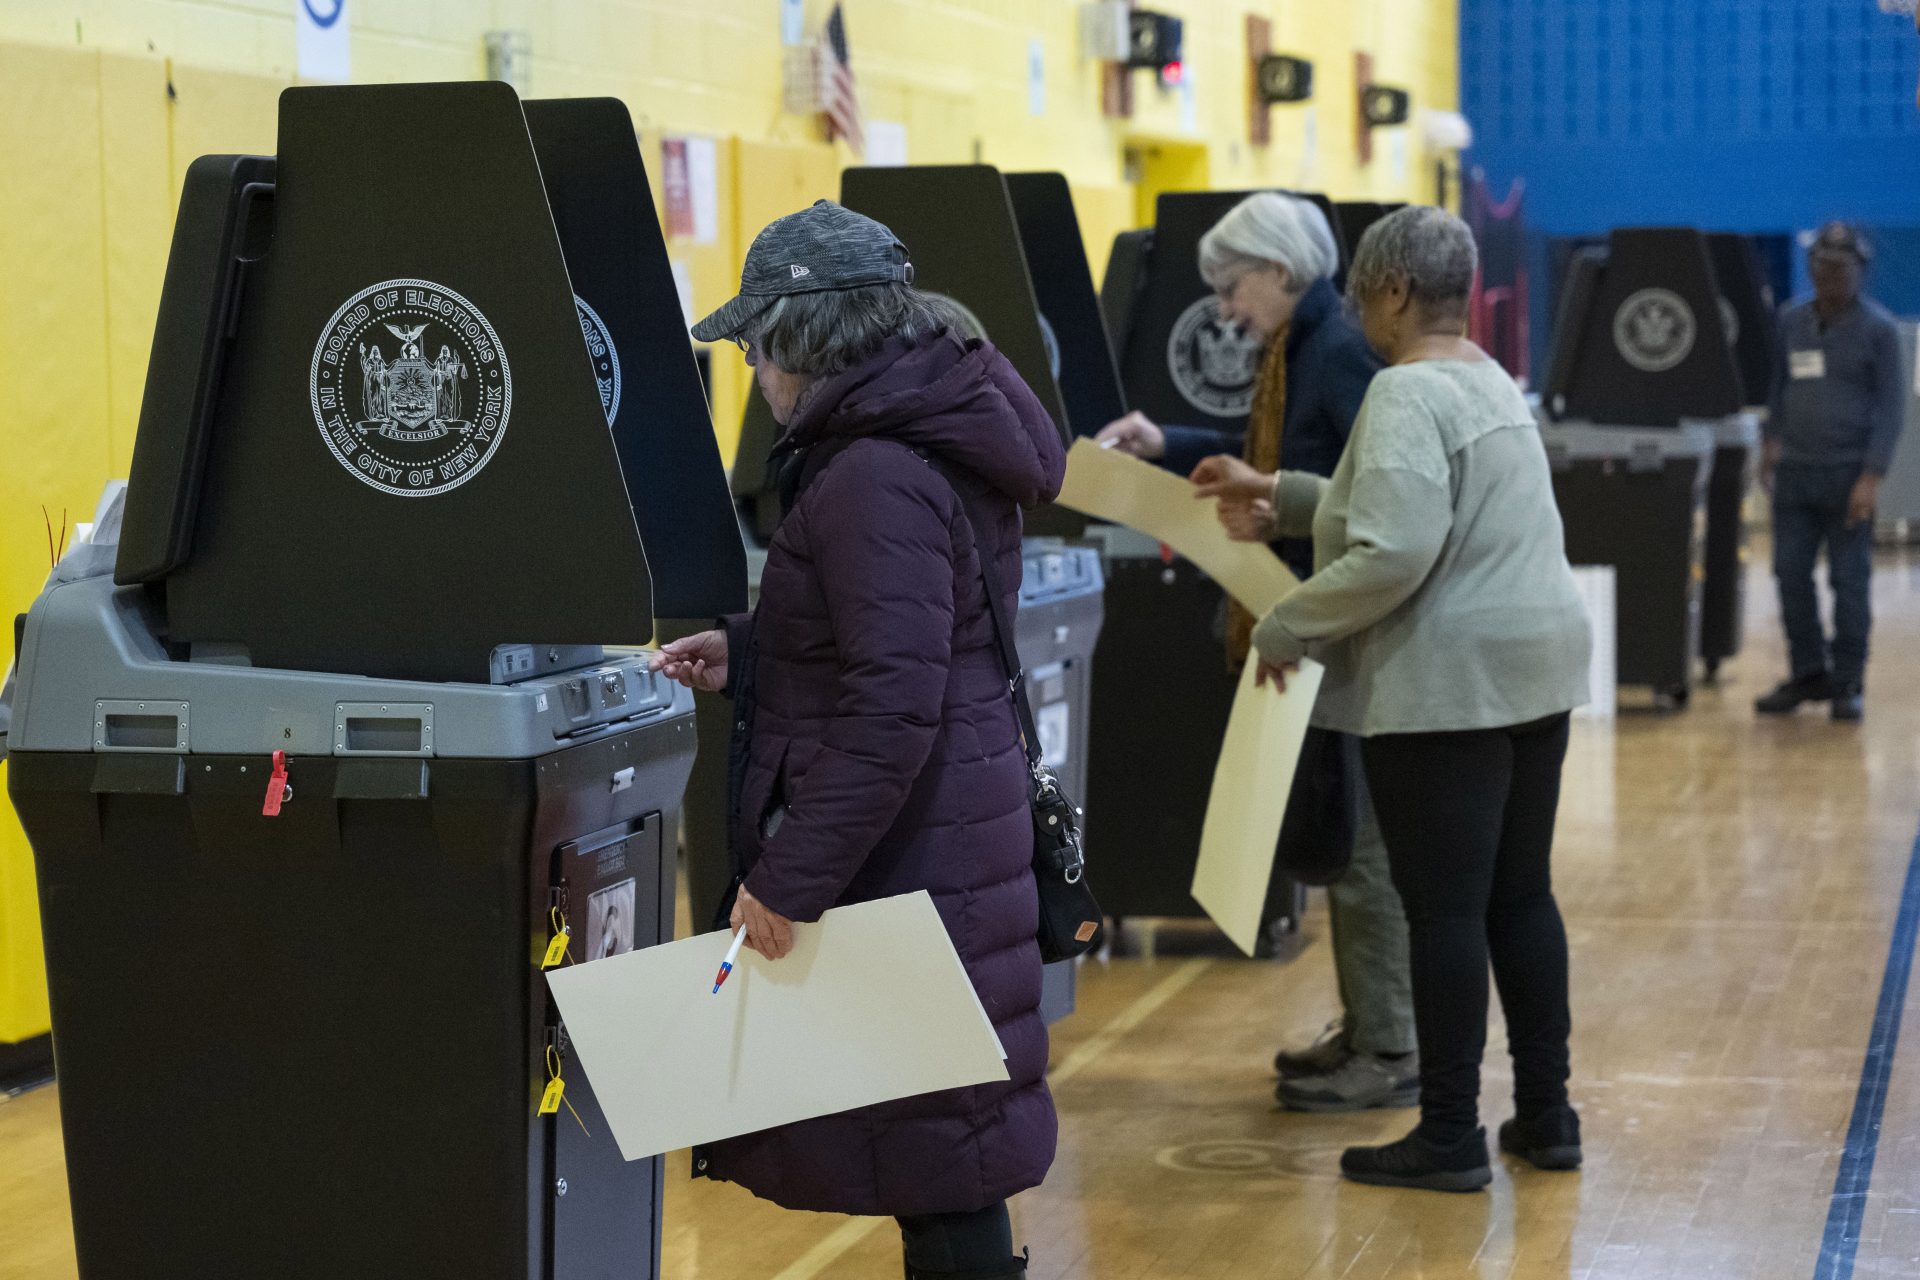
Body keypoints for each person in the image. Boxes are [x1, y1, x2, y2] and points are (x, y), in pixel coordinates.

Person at [651, 201, 1064, 1280]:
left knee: (944, 1173)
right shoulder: (930, 428)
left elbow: (894, 703)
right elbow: (919, 632)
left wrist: (786, 882)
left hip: (917, 855)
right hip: (952, 838)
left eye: (752, 346)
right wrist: (756, 650)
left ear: (802, 337)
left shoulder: (873, 469)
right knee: (944, 1163)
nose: (753, 371)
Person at [1198, 205, 1592, 1192]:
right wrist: (1282, 493)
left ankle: (1450, 1133)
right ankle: (1547, 1114)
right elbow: (1392, 503)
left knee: (1445, 910)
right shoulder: (1488, 377)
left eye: (1370, 293)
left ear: (1394, 292)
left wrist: (1287, 624)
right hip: (1538, 666)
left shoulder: (1405, 392)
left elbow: (1394, 547)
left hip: (1451, 682)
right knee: (1522, 894)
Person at [1096, 193, 1416, 1114]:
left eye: (1234, 288)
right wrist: (1174, 445)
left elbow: (1368, 494)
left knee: (1357, 848)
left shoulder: (1339, 349)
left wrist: (1277, 505)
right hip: (1308, 620)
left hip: (1335, 630)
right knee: (1339, 840)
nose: (1228, 310)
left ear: (1279, 269)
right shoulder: (1300, 346)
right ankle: (1367, 1028)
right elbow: (1275, 452)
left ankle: (1389, 1045)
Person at [1754, 222, 1905, 723]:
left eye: (1840, 268)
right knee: (1789, 576)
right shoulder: (1791, 321)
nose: (1829, 275)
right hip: (1795, 474)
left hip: (1847, 477)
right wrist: (1770, 441)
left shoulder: (1879, 331)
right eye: (1821, 265)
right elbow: (1778, 387)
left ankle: (1847, 682)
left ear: (1861, 271)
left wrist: (1872, 477)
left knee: (1849, 582)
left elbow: (1891, 410)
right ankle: (1807, 672)